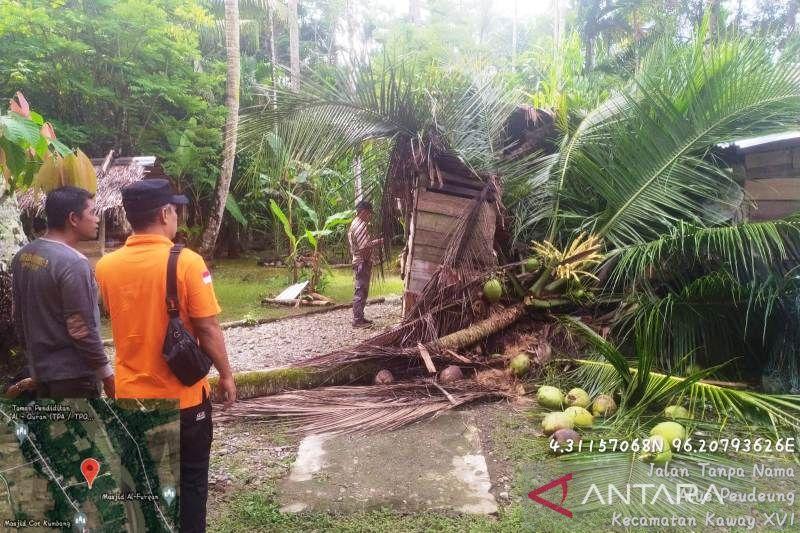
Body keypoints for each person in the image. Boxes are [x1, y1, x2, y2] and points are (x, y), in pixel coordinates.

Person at [95, 179, 236, 533]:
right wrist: (227, 375)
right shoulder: (188, 262)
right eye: (174, 210)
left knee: (142, 486)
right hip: (185, 401)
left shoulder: (105, 267)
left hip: (131, 400)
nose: (176, 216)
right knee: (190, 484)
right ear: (164, 213)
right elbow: (207, 329)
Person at [11, 186, 114, 399]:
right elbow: (81, 329)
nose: (97, 219)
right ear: (73, 219)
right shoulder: (73, 263)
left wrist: (34, 360)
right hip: (74, 378)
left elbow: (18, 316)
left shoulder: (23, 256)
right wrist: (107, 374)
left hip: (41, 372)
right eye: (92, 213)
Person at [347, 200, 383, 328]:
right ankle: (357, 320)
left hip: (358, 260)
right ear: (363, 212)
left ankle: (360, 317)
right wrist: (377, 243)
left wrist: (376, 242)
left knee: (361, 290)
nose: (369, 216)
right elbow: (364, 248)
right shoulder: (361, 225)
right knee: (361, 291)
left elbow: (363, 245)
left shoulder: (354, 223)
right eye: (368, 213)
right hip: (362, 261)